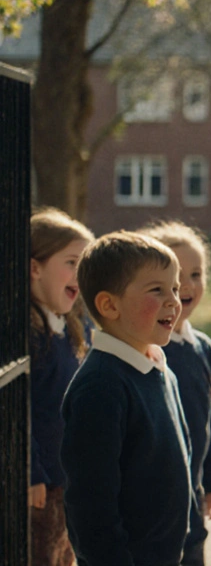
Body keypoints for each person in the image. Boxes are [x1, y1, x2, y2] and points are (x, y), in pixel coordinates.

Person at [61, 232, 198, 566]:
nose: (173, 301)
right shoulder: (100, 387)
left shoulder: (159, 368)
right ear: (110, 305)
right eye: (157, 290)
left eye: (175, 289)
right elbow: (90, 506)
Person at [139, 221, 211, 566]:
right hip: (151, 503)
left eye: (196, 274)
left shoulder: (203, 349)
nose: (186, 287)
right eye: (172, 282)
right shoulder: (144, 351)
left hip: (192, 496)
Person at [28, 208, 93, 566]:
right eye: (71, 262)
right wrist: (31, 472)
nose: (79, 275)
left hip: (69, 478)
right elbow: (20, 412)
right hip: (43, 483)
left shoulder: (70, 327)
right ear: (35, 268)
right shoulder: (30, 335)